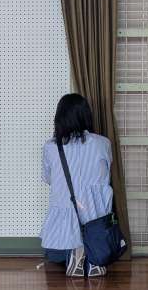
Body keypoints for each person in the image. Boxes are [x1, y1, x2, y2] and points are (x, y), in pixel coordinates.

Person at [39, 93, 113, 277]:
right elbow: (105, 176)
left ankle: (76, 251)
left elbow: (48, 179)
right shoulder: (102, 143)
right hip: (96, 215)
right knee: (92, 212)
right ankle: (94, 256)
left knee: (54, 253)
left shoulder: (51, 147)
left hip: (67, 214)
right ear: (86, 115)